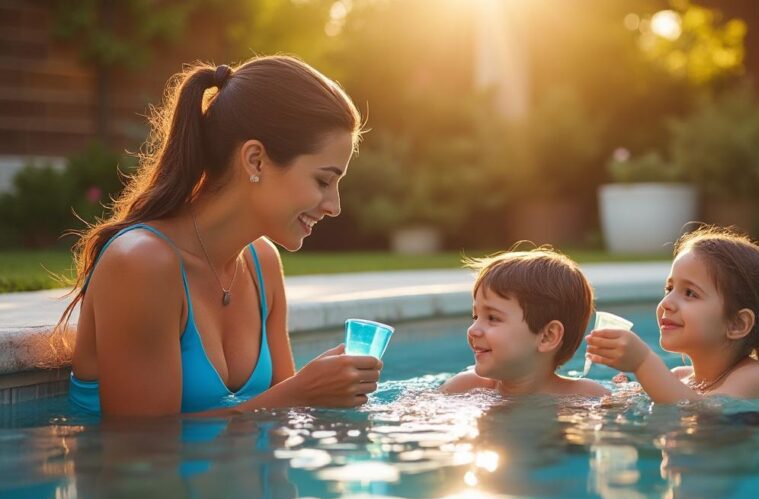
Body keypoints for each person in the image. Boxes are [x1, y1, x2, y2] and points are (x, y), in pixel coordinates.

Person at [58, 56, 381, 416]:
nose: (334, 206)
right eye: (323, 180)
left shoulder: (262, 262)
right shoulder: (141, 264)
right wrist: (299, 392)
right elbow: (143, 450)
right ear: (255, 160)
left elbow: (281, 431)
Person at [585, 225, 759, 401]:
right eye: (669, 289)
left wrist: (643, 363)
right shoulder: (678, 377)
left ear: (737, 324)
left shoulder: (757, 376)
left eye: (690, 293)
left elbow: (704, 416)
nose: (666, 303)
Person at [439, 246, 608, 397]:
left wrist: (636, 363)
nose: (473, 330)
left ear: (547, 336)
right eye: (475, 317)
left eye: (493, 318)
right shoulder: (462, 388)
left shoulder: (584, 396)